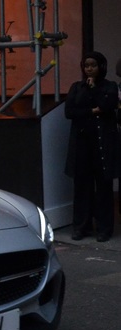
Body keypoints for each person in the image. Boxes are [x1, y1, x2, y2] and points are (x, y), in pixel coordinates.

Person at [64, 51, 121, 242]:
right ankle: (81, 226)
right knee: (82, 186)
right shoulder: (77, 87)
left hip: (103, 143)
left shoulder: (109, 86)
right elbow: (70, 111)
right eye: (86, 65)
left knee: (103, 187)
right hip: (82, 144)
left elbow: (108, 104)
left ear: (101, 67)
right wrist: (92, 110)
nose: (89, 69)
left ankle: (104, 229)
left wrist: (95, 91)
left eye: (93, 65)